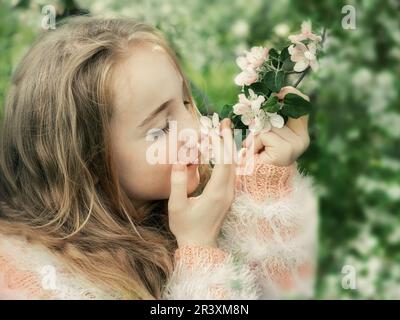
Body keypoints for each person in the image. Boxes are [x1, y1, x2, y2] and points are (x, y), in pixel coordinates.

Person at [0, 17, 318, 299]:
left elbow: (291, 292)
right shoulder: (34, 280)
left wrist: (266, 185)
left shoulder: (204, 205)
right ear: (88, 162)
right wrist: (199, 248)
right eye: (162, 127)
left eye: (185, 100)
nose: (194, 128)